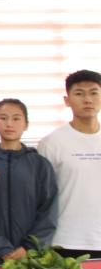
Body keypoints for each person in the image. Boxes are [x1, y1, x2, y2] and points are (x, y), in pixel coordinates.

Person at [0, 98, 58, 263]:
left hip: (31, 258)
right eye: (3, 118)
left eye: (16, 118)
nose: (9, 124)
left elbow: (48, 210)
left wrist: (29, 247)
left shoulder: (39, 164)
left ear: (26, 124)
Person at [36, 70, 101, 258]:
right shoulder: (52, 143)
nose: (87, 99)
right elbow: (41, 197)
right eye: (79, 93)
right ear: (67, 100)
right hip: (66, 240)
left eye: (94, 93)